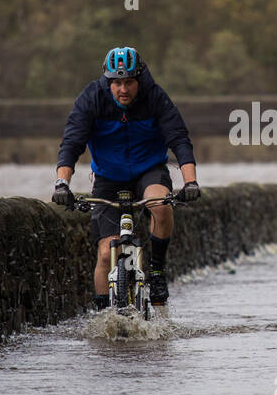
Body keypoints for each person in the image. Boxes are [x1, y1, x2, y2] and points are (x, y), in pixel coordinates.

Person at [51, 46, 199, 310]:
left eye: (129, 82)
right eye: (117, 83)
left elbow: (179, 139)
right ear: (108, 81)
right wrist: (62, 183)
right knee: (106, 253)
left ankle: (156, 272)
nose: (123, 89)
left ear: (139, 80)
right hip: (108, 177)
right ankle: (102, 317)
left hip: (149, 170)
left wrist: (190, 182)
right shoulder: (92, 98)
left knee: (161, 206)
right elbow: (72, 143)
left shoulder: (154, 96)